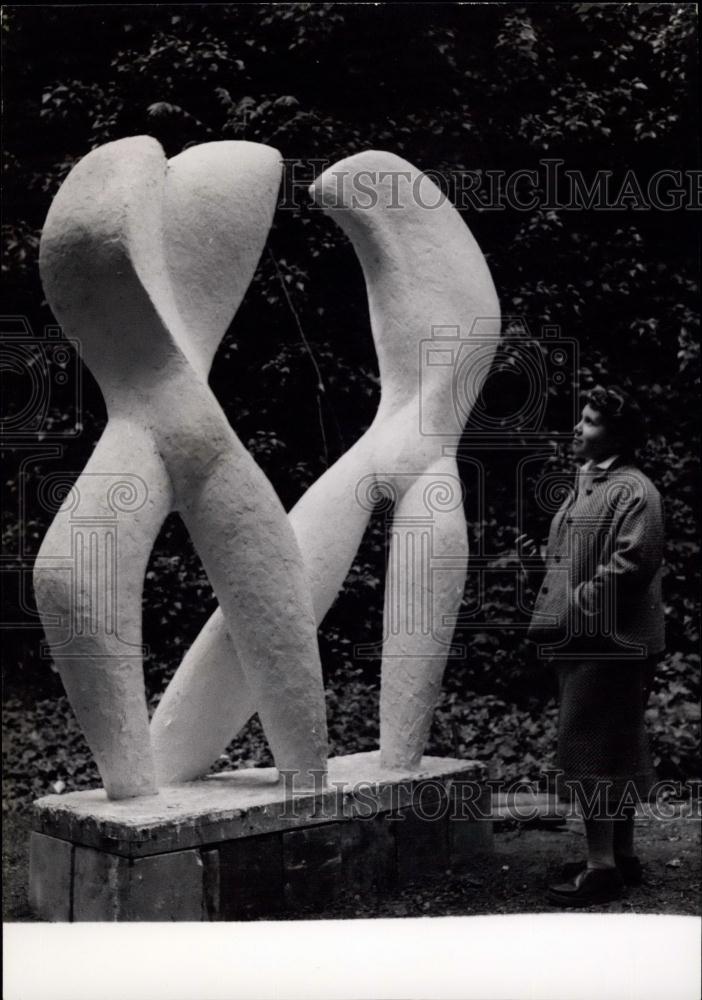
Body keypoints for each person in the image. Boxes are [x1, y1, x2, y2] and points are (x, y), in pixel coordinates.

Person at [517, 384, 665, 906]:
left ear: (618, 435)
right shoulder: (593, 484)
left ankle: (600, 867)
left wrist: (576, 602)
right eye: (580, 418)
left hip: (606, 643)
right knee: (614, 748)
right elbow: (581, 549)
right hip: (591, 641)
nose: (577, 428)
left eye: (590, 421)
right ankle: (620, 857)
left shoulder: (635, 490)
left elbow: (633, 564)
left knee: (589, 751)